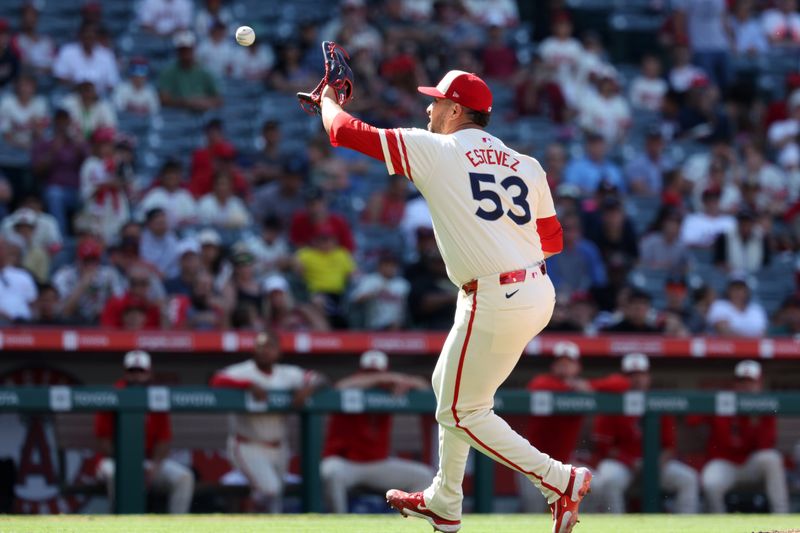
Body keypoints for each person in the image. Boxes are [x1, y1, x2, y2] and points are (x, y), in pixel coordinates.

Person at [316, 69, 589, 533]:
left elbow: (343, 131)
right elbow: (553, 240)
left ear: (456, 110)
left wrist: (327, 99)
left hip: (494, 293)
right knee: (449, 387)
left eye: (436, 101)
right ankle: (445, 499)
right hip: (532, 289)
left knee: (464, 410)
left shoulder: (438, 150)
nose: (429, 108)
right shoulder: (526, 163)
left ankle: (557, 479)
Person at [210, 331, 326, 512]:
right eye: (260, 346)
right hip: (248, 444)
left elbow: (320, 378)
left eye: (270, 347)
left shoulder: (287, 374)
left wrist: (308, 390)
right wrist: (247, 385)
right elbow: (216, 379)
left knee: (275, 502)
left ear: (279, 352)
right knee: (270, 490)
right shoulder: (243, 371)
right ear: (254, 349)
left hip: (279, 446)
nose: (265, 351)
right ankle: (243, 516)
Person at [322, 350, 433, 513]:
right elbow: (340, 387)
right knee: (330, 473)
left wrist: (404, 380)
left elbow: (425, 389)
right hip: (345, 462)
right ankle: (339, 525)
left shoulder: (390, 388)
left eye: (378, 373)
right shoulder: (352, 385)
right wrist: (381, 378)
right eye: (369, 374)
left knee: (424, 476)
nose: (375, 378)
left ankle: (401, 527)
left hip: (377, 462)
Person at [589, 353, 699, 514]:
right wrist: (630, 461)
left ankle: (688, 528)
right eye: (631, 375)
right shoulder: (612, 403)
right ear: (623, 378)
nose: (637, 379)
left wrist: (655, 463)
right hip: (623, 464)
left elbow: (669, 446)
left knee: (688, 478)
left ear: (648, 377)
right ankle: (615, 527)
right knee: (609, 480)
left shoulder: (659, 402)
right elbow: (604, 447)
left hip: (654, 463)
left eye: (641, 374)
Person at [95, 350, 195, 513]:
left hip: (149, 462)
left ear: (149, 373)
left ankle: (178, 527)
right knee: (115, 474)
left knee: (184, 477)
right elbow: (103, 442)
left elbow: (164, 441)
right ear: (125, 373)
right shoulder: (113, 395)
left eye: (141, 372)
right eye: (132, 371)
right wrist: (129, 464)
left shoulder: (156, 398)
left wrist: (153, 465)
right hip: (114, 461)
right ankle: (118, 521)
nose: (136, 376)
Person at [697, 360, 789, 513]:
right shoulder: (723, 401)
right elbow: (691, 418)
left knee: (772, 459)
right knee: (710, 481)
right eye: (742, 381)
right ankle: (718, 526)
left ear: (759, 384)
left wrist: (755, 420)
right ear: (735, 384)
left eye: (750, 382)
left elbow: (766, 446)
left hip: (751, 464)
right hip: (724, 463)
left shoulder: (765, 407)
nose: (746, 386)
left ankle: (781, 518)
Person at [31, 108, 88, 236]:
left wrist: (79, 145)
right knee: (55, 195)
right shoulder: (45, 143)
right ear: (54, 122)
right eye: (59, 121)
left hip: (77, 190)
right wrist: (52, 152)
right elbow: (36, 170)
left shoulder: (77, 143)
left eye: (65, 121)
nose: (63, 124)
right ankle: (59, 237)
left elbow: (91, 164)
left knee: (92, 193)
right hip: (54, 188)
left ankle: (89, 238)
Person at [53, 237, 124, 324]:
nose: (90, 265)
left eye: (93, 261)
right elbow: (63, 313)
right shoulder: (64, 275)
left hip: (102, 321)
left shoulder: (109, 275)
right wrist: (82, 285)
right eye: (86, 261)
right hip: (72, 323)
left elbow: (121, 305)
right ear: (78, 260)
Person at [158, 31, 221, 112]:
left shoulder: (204, 71)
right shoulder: (168, 72)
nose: (186, 53)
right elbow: (163, 98)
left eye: (188, 49)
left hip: (203, 114)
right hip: (177, 115)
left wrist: (203, 102)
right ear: (177, 51)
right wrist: (186, 102)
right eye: (182, 50)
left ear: (194, 49)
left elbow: (219, 99)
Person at [52, 22, 119, 95]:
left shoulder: (107, 55)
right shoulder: (67, 51)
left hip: (99, 97)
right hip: (73, 95)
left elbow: (112, 83)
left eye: (92, 36)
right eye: (86, 35)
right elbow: (59, 77)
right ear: (80, 35)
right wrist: (81, 87)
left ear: (96, 37)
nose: (89, 39)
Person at [349, 252, 410, 330]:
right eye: (386, 265)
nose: (389, 268)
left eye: (392, 266)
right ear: (379, 267)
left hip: (398, 326)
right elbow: (355, 299)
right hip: (375, 326)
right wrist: (373, 293)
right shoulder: (370, 280)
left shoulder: (403, 284)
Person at [0, 73, 48, 150]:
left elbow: (40, 135)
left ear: (34, 88)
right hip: (9, 148)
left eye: (30, 86)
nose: (26, 89)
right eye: (23, 85)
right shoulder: (7, 103)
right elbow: (5, 135)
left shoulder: (40, 103)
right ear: (17, 87)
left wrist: (35, 125)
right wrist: (22, 146)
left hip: (32, 147)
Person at [139, 208, 180, 279]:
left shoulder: (171, 237)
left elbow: (174, 260)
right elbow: (146, 262)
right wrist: (158, 272)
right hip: (151, 278)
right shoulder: (142, 239)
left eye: (164, 223)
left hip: (172, 277)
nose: (163, 227)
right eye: (159, 223)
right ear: (149, 224)